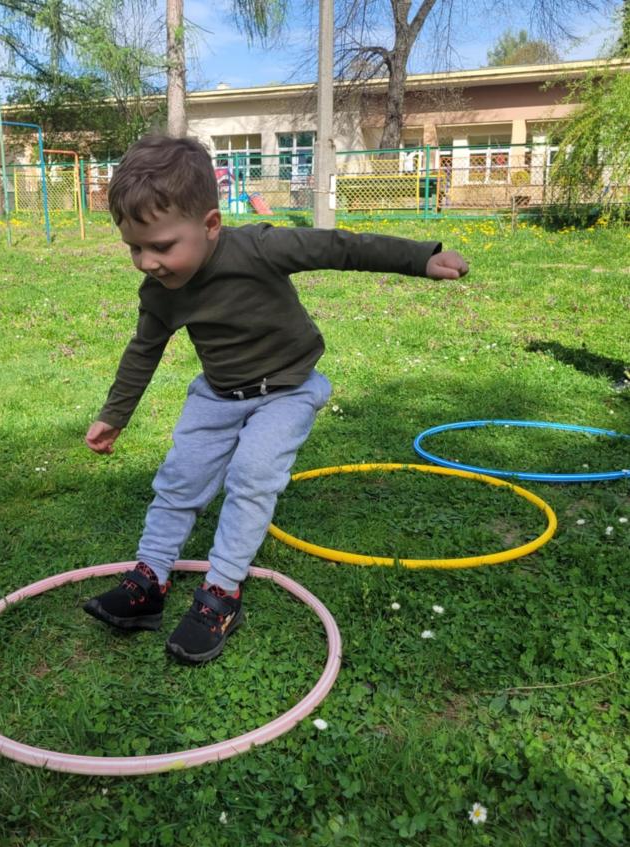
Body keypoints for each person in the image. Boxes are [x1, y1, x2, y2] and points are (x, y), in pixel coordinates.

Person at [83, 135, 469, 664]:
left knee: (252, 476)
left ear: (211, 224)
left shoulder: (260, 248)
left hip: (288, 389)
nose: (147, 262)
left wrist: (421, 258)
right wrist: (114, 415)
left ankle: (222, 592)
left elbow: (341, 247)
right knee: (179, 479)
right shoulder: (160, 292)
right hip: (217, 394)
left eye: (162, 246)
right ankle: (149, 579)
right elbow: (142, 351)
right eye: (135, 248)